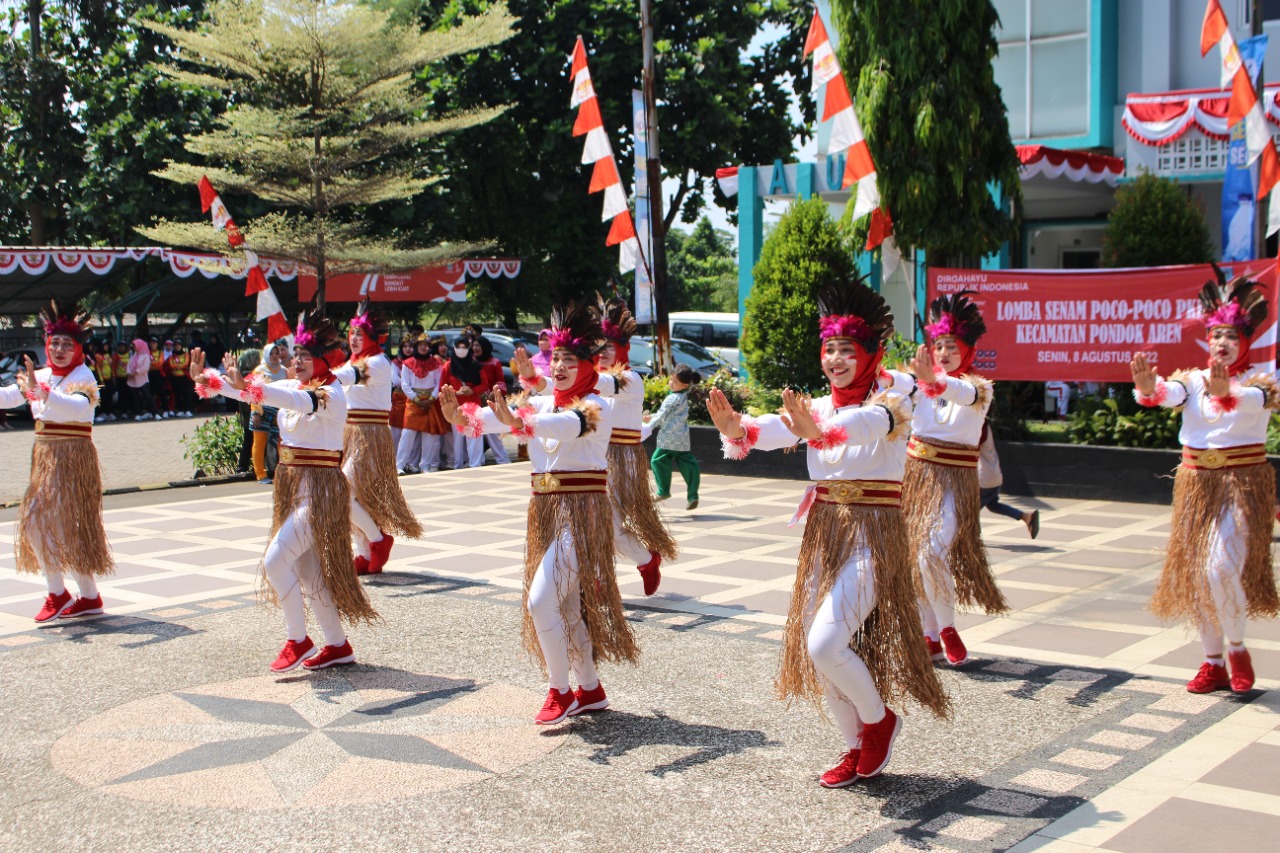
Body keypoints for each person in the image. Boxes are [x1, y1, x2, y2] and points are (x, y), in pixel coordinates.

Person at [706, 277, 949, 786]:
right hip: (825, 533)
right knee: (820, 650)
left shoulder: (894, 401)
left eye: (846, 349)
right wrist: (736, 429)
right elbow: (773, 429)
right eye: (829, 349)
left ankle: (880, 721)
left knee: (823, 644)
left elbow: (868, 422)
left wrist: (820, 434)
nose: (835, 359)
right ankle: (855, 743)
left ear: (870, 353)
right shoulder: (815, 406)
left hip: (874, 537)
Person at [441, 300, 636, 725]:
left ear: (589, 366)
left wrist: (517, 423)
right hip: (546, 514)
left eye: (571, 359)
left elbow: (566, 427)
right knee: (564, 609)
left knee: (541, 600)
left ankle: (559, 690)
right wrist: (461, 417)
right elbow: (499, 419)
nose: (562, 366)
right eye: (558, 358)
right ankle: (589, 688)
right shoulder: (545, 404)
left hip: (583, 517)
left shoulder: (596, 407)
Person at [191, 307, 378, 672]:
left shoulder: (331, 393)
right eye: (297, 355)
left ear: (326, 358)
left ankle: (298, 639)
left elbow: (291, 401)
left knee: (275, 561)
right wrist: (209, 381)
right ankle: (338, 645)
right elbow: (252, 395)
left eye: (306, 356)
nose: (298, 361)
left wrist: (251, 387)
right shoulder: (295, 384)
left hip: (321, 493)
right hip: (294, 489)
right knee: (307, 573)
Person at [1131, 274, 1280, 695]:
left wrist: (1227, 392)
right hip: (1197, 485)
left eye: (1231, 336)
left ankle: (1237, 649)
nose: (1223, 343)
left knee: (1221, 567)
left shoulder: (1263, 380)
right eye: (1216, 335)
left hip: (1241, 485)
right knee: (1199, 574)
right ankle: (1212, 661)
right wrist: (1149, 388)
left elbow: (1254, 400)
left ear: (1245, 341)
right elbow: (1169, 392)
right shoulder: (1193, 380)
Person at [904, 292, 1009, 668]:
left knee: (932, 552)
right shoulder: (918, 384)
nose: (944, 352)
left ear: (966, 349)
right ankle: (927, 636)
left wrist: (934, 380)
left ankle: (946, 628)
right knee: (915, 559)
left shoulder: (981, 388)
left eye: (952, 346)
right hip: (916, 480)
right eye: (939, 346)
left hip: (955, 483)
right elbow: (889, 391)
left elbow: (961, 393)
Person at [1, 300, 115, 622]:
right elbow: (10, 396)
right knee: (51, 526)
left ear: (78, 348)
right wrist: (36, 387)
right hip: (45, 456)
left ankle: (61, 594)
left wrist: (45, 393)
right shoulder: (40, 374)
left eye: (68, 344)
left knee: (43, 522)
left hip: (73, 457)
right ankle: (86, 596)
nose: (60, 349)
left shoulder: (84, 376)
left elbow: (78, 408)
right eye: (55, 343)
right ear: (46, 345)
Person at [334, 300, 424, 575]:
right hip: (349, 435)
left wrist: (318, 376)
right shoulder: (353, 362)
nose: (354, 338)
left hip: (370, 437)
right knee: (355, 497)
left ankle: (377, 540)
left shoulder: (376, 363)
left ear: (372, 336)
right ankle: (363, 551)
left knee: (344, 491)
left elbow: (342, 378)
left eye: (360, 334)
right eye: (352, 333)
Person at [644, 363, 702, 511]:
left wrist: (648, 426)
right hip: (682, 439)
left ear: (684, 385)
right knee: (689, 464)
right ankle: (693, 495)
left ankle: (663, 491)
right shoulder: (682, 397)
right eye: (671, 380)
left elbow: (663, 415)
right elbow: (669, 414)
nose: (671, 383)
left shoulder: (671, 398)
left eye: (675, 382)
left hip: (668, 439)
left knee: (657, 460)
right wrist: (651, 417)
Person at [977, 422, 1039, 537]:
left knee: (970, 512)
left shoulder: (979, 427)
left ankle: (974, 537)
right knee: (993, 505)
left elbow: (971, 446)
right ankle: (1026, 517)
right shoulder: (985, 426)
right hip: (994, 476)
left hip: (984, 479)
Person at [397, 334, 446, 473]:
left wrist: (431, 399)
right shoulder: (408, 363)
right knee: (407, 433)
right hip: (414, 403)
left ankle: (425, 465)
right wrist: (416, 399)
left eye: (426, 345)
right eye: (420, 345)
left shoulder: (436, 364)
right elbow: (405, 385)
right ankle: (399, 465)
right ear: (416, 347)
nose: (423, 347)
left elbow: (439, 383)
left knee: (429, 434)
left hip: (430, 401)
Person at [440, 333, 489, 469]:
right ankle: (458, 464)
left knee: (475, 435)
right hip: (456, 407)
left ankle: (475, 464)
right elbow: (442, 387)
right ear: (454, 348)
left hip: (473, 404)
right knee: (457, 438)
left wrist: (473, 390)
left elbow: (485, 383)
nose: (461, 349)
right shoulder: (448, 366)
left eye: (464, 347)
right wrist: (456, 393)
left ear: (468, 348)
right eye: (459, 347)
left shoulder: (476, 365)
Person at [249, 342, 288, 483]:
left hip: (280, 412)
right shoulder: (259, 370)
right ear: (266, 354)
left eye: (276, 353)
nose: (274, 356)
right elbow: (253, 392)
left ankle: (284, 472)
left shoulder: (284, 371)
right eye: (271, 353)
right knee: (259, 443)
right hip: (262, 410)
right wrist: (255, 413)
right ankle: (261, 474)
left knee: (282, 443)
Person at [473, 335, 511, 464]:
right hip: (475, 399)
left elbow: (500, 381)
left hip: (491, 400)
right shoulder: (472, 362)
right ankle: (477, 461)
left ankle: (502, 459)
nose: (475, 348)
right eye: (473, 345)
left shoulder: (494, 362)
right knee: (475, 431)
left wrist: (493, 394)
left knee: (492, 432)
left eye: (478, 345)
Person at [389, 335, 412, 450]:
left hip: (413, 398)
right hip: (398, 398)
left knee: (410, 430)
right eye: (405, 346)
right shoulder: (395, 363)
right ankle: (395, 459)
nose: (408, 349)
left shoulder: (416, 363)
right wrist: (410, 383)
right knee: (396, 430)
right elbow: (395, 380)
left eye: (410, 346)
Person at [127, 338, 156, 421]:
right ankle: (138, 413)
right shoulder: (133, 355)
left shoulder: (145, 355)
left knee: (148, 396)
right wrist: (129, 373)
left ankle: (154, 413)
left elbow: (145, 367)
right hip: (133, 380)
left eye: (135, 345)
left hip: (142, 379)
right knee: (135, 398)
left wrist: (135, 372)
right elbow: (129, 365)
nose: (134, 347)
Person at [167, 339, 194, 418]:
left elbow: (185, 363)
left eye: (179, 345)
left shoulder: (186, 354)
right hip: (174, 377)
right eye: (175, 345)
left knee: (187, 393)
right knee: (177, 394)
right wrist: (178, 366)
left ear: (181, 346)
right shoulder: (172, 355)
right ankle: (180, 410)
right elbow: (171, 364)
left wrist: (177, 366)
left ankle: (188, 410)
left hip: (184, 377)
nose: (177, 346)